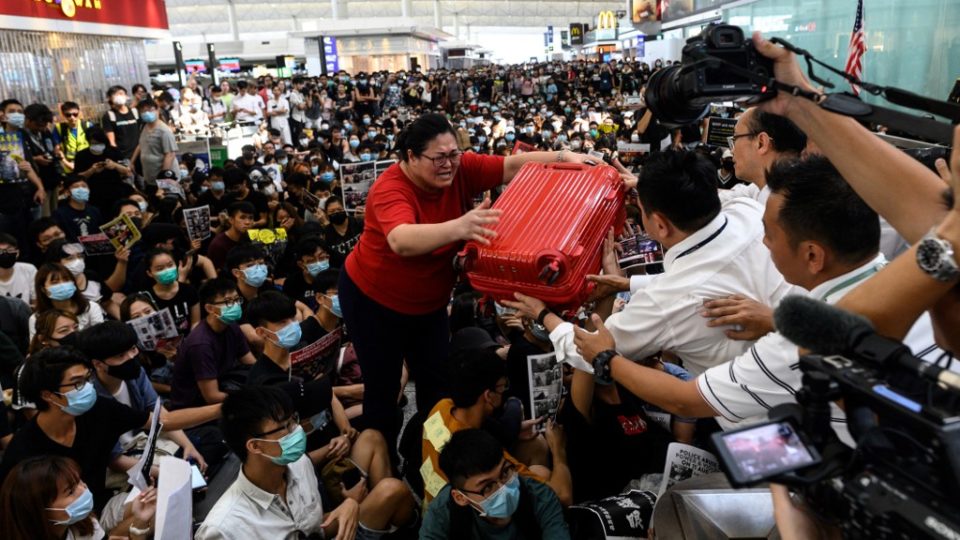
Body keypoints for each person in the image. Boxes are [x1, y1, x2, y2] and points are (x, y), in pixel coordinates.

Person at [340, 112, 599, 449]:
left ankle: (433, 458)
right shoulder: (390, 189)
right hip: (373, 300)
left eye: (454, 155)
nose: (449, 164)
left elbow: (511, 166)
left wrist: (564, 157)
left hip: (428, 304)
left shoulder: (461, 168)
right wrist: (461, 226)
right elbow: (401, 239)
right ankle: (382, 462)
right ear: (411, 157)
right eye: (438, 158)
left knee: (437, 383)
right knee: (385, 386)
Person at [506, 150, 794, 377]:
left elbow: (589, 349)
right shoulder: (749, 211)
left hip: (752, 422)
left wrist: (542, 314)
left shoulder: (667, 300)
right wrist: (629, 283)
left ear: (659, 224)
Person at [197, 385, 415, 540]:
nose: (297, 430)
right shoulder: (225, 528)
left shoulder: (299, 465)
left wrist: (349, 506)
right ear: (255, 446)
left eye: (294, 420)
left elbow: (311, 528)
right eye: (285, 427)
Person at [420, 348, 572, 507]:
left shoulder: (441, 407)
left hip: (433, 508)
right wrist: (558, 450)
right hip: (471, 524)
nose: (504, 392)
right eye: (502, 387)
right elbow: (563, 496)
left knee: (534, 446)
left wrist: (515, 431)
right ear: (488, 395)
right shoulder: (481, 454)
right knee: (543, 473)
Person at [420, 429, 571, 540]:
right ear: (460, 498)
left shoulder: (539, 496)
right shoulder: (441, 515)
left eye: (505, 473)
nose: (504, 488)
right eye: (488, 486)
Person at [0, 455, 158, 540]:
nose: (83, 490)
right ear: (38, 509)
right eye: (70, 491)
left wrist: (140, 522)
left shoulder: (85, 524)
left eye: (79, 481)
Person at [169, 278, 255, 409]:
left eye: (237, 300)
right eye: (228, 302)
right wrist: (253, 397)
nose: (236, 305)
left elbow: (251, 364)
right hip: (195, 406)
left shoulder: (232, 326)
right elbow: (212, 396)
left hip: (223, 384)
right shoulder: (200, 344)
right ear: (210, 308)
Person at [723, 108, 806, 205]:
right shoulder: (765, 186)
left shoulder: (788, 207)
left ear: (761, 143)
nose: (732, 150)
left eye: (736, 138)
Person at [29, 263, 105, 340]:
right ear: (43, 289)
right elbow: (37, 347)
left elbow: (102, 338)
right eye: (55, 282)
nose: (62, 284)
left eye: (66, 280)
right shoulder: (36, 319)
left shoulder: (91, 307)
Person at [73, 127, 134, 214]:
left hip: (115, 193)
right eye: (93, 143)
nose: (96, 145)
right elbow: (77, 178)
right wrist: (92, 170)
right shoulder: (81, 155)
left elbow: (127, 172)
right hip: (94, 195)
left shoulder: (114, 151)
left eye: (99, 143)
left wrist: (115, 165)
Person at [142, 247, 200, 336]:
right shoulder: (146, 298)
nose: (167, 270)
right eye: (160, 268)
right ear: (150, 273)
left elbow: (195, 322)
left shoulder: (189, 290)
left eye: (170, 265)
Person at [132, 99, 177, 185]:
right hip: (149, 176)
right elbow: (141, 144)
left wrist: (164, 179)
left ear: (158, 110)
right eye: (143, 111)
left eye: (150, 109)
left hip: (162, 179)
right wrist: (132, 162)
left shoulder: (164, 131)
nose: (146, 113)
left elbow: (170, 155)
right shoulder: (144, 127)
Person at [207, 201, 254, 272]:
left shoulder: (245, 237)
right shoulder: (218, 245)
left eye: (250, 218)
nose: (247, 222)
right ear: (231, 220)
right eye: (242, 217)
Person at [53, 177, 102, 242]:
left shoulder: (94, 211)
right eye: (76, 187)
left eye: (84, 186)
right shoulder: (59, 214)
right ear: (67, 192)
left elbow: (100, 233)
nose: (81, 189)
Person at [100, 86, 140, 160]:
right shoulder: (109, 116)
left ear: (126, 96)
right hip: (123, 156)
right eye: (115, 94)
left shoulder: (135, 112)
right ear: (110, 98)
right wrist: (120, 158)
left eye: (121, 94)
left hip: (138, 154)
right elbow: (111, 142)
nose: (119, 96)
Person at [322, 196, 363, 269]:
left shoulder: (357, 223)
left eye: (339, 209)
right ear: (327, 214)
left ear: (344, 209)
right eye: (332, 211)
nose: (337, 212)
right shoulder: (326, 233)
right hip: (342, 270)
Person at [0, 232, 37, 307]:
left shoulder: (29, 270)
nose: (5, 253)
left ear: (17, 253)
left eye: (9, 250)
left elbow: (36, 303)